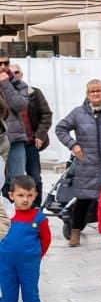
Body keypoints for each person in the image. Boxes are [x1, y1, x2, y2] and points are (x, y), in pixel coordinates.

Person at [54, 79, 101, 248]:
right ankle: (75, 232)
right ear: (87, 94)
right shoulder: (78, 113)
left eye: (99, 91)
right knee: (83, 199)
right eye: (92, 91)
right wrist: (73, 145)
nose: (96, 94)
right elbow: (60, 129)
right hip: (87, 163)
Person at [0, 175, 49, 302]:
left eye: (29, 195)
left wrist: (36, 256)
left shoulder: (38, 217)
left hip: (29, 264)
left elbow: (46, 239)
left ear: (35, 195)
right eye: (20, 195)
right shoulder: (6, 215)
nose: (25, 199)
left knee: (30, 294)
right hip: (5, 264)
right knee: (8, 295)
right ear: (11, 195)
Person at [9, 64, 53, 201]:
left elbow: (46, 114)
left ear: (22, 74)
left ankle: (36, 209)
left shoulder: (34, 93)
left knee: (35, 180)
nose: (14, 75)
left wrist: (40, 135)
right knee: (11, 181)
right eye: (12, 72)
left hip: (30, 143)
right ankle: (13, 211)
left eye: (17, 72)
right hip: (12, 144)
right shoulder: (4, 94)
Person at [0, 54, 32, 198]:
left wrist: (6, 84)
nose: (3, 67)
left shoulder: (19, 84)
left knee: (17, 181)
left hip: (15, 139)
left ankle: (17, 210)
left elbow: (19, 105)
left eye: (6, 63)